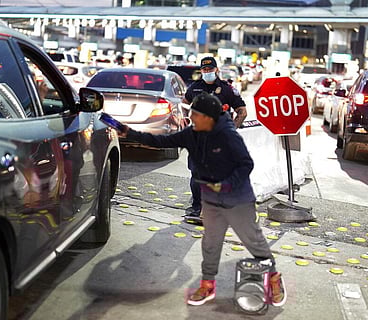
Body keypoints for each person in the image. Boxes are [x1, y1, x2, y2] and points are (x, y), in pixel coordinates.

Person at [117, 92, 286, 307]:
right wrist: (129, 133)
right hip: (211, 198)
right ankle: (208, 284)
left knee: (254, 242)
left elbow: (246, 164)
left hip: (237, 200)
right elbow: (161, 140)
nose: (192, 118)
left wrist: (226, 185)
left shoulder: (228, 135)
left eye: (195, 115)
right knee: (210, 243)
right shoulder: (192, 134)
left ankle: (273, 278)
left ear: (208, 117)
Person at [182, 56, 247, 221]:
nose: (207, 72)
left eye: (210, 69)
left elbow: (242, 111)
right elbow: (183, 105)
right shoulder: (195, 88)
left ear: (216, 70)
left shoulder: (227, 89)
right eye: (204, 70)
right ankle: (197, 207)